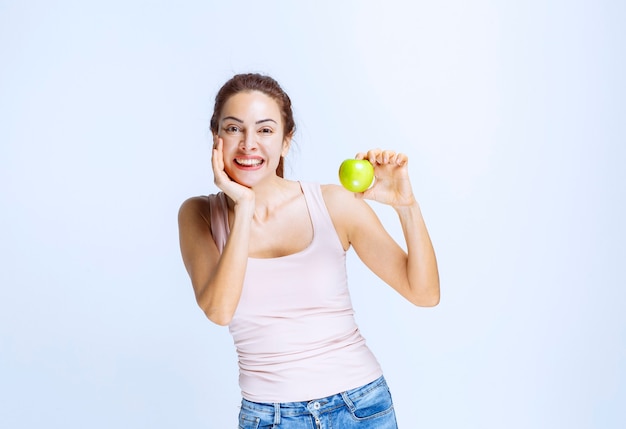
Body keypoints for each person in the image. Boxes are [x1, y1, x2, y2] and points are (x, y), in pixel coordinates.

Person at [178, 73, 439, 428]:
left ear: (286, 142)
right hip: (269, 417)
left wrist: (406, 206)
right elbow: (219, 310)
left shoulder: (333, 203)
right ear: (216, 139)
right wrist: (243, 206)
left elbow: (424, 294)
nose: (248, 144)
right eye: (234, 129)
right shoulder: (198, 215)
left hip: (360, 407)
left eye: (265, 130)